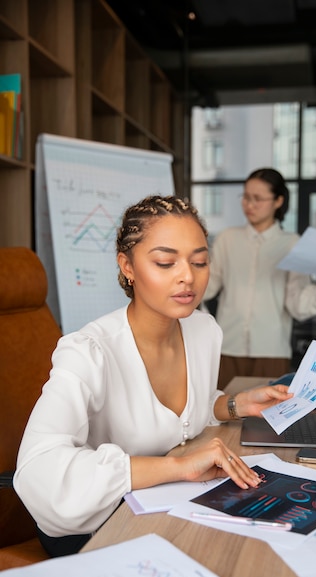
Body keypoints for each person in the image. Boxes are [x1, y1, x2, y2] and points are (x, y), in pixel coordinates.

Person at [13, 195, 292, 557]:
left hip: (164, 501)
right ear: (127, 266)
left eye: (200, 261)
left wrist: (234, 404)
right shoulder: (88, 351)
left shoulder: (202, 330)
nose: (187, 276)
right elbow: (39, 470)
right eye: (165, 262)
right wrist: (178, 467)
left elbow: (185, 414)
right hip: (100, 523)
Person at [204, 168, 316, 389]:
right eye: (246, 197)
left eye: (257, 198)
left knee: (267, 419)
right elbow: (208, 288)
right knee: (221, 415)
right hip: (226, 348)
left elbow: (296, 305)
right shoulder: (227, 239)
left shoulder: (292, 244)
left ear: (278, 201)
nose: (249, 204)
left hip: (271, 351)